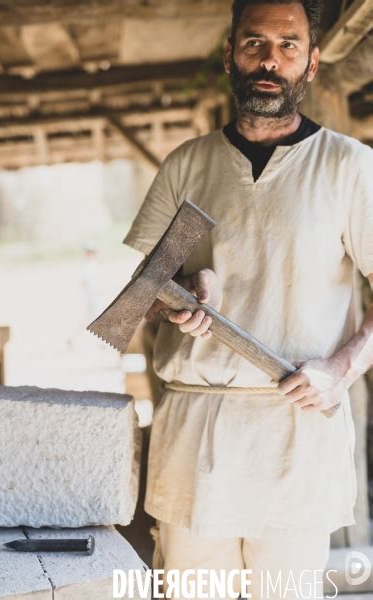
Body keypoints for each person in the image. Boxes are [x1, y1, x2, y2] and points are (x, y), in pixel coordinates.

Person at [124, 1, 373, 598]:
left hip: (296, 427)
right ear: (230, 55)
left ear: (312, 63)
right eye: (254, 43)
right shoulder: (191, 165)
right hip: (194, 433)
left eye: (288, 46)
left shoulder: (348, 168)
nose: (270, 59)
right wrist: (177, 296)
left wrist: (341, 368)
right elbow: (148, 287)